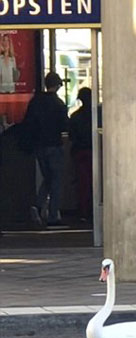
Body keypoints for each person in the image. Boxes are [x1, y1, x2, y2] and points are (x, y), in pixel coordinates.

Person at [23, 72, 69, 228]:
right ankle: (53, 215)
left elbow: (28, 123)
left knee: (48, 177)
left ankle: (37, 205)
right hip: (54, 145)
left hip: (39, 146)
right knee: (55, 179)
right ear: (57, 86)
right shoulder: (58, 104)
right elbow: (65, 127)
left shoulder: (35, 102)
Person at [69, 87, 93, 222]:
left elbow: (71, 136)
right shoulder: (99, 114)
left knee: (82, 183)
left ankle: (83, 210)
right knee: (95, 181)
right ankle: (93, 208)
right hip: (94, 151)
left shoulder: (75, 116)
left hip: (79, 152)